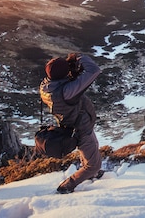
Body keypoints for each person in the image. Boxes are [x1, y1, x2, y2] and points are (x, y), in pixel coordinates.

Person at [40, 52, 102, 194]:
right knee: (94, 165)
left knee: (91, 148)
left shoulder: (46, 86)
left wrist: (68, 73)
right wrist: (79, 57)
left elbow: (60, 79)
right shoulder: (67, 92)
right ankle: (68, 184)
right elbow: (94, 70)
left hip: (74, 125)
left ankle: (88, 171)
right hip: (81, 128)